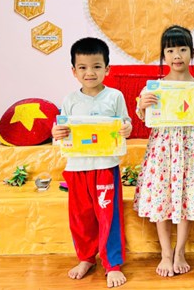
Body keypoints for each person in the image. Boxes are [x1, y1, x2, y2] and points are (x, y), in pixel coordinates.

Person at [134, 25, 194, 277]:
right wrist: (142, 105)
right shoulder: (154, 88)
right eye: (170, 50)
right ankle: (165, 253)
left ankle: (180, 251)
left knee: (187, 197)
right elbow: (143, 117)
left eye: (182, 49)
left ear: (192, 52)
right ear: (163, 55)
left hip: (191, 150)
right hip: (162, 149)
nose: (177, 55)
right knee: (161, 198)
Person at [51, 37, 132, 288]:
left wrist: (126, 128)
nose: (90, 72)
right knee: (81, 217)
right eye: (83, 67)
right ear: (74, 71)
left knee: (109, 216)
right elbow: (62, 131)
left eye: (97, 66)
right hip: (77, 168)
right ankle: (86, 258)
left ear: (107, 69)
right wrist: (56, 132)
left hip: (105, 167)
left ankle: (112, 264)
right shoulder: (70, 100)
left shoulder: (115, 96)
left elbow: (125, 123)